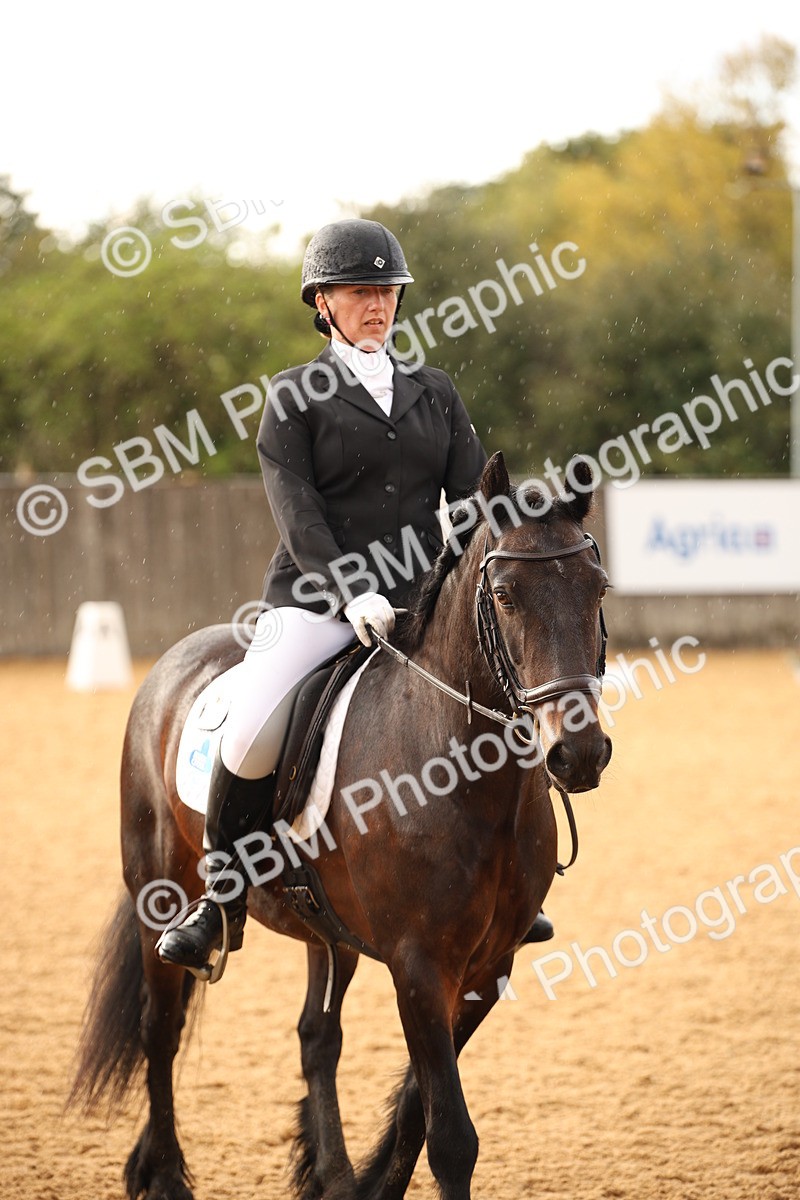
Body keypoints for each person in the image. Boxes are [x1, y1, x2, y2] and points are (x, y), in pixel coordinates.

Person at [157, 218, 551, 979]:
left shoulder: (434, 392)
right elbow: (297, 513)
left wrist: (484, 567)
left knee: (501, 701)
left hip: (418, 602)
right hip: (312, 601)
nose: (378, 305)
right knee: (252, 726)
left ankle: (512, 886)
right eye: (360, 292)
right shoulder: (294, 396)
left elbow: (471, 502)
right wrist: (351, 590)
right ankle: (219, 898)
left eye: (387, 292)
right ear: (324, 303)